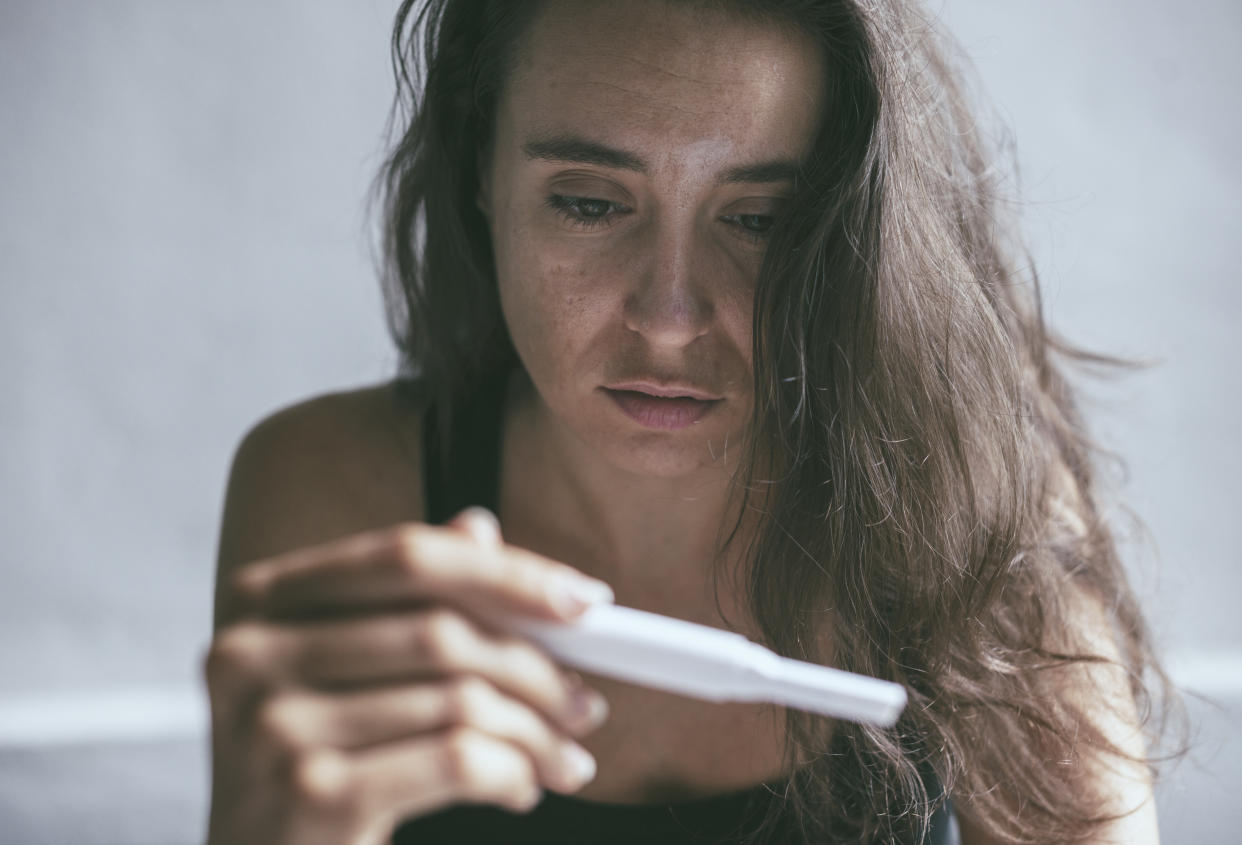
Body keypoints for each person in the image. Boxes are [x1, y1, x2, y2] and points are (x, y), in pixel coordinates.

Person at [203, 0, 1183, 842]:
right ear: (479, 182)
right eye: (589, 204)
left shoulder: (970, 497)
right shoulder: (337, 491)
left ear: (849, 229)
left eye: (758, 219)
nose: (670, 319)